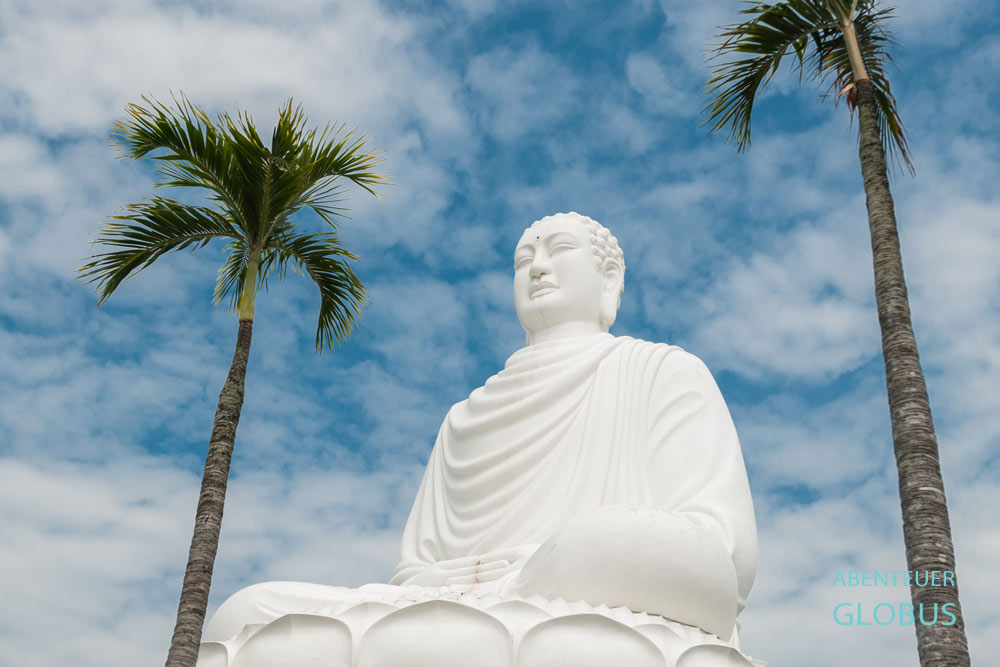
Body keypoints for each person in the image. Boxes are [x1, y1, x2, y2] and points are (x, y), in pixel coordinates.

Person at [204, 212, 758, 654]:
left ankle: (512, 597)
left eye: (560, 250)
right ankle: (496, 608)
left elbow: (722, 553)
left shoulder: (660, 370)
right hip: (465, 608)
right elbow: (413, 575)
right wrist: (464, 585)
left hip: (589, 585)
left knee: (601, 541)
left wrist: (541, 563)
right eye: (524, 260)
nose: (538, 268)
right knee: (247, 610)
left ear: (609, 280)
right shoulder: (462, 417)